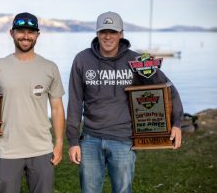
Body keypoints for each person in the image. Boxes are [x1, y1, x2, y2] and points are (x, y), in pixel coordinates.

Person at [66, 11, 183, 193]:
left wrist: (176, 123)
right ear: (97, 33)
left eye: (113, 32)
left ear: (121, 34)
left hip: (123, 140)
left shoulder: (136, 60)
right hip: (90, 139)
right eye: (103, 31)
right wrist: (73, 141)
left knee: (122, 190)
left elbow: (168, 88)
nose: (107, 36)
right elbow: (74, 102)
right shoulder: (82, 59)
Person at [0, 12, 65, 193]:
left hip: (41, 148)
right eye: (21, 31)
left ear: (37, 35)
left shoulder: (50, 67)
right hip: (8, 149)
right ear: (11, 33)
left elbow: (57, 108)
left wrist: (59, 143)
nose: (26, 36)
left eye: (31, 32)